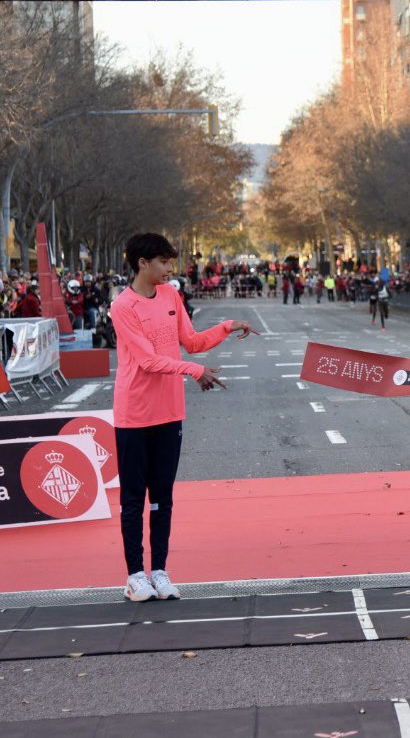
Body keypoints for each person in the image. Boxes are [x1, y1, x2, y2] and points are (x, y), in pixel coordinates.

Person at [111, 233, 258, 603]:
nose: (168, 269)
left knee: (163, 497)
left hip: (169, 412)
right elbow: (147, 361)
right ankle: (135, 576)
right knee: (133, 500)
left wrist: (227, 326)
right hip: (134, 414)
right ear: (142, 263)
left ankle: (159, 571)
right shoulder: (123, 306)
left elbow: (191, 341)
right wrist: (194, 371)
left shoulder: (171, 295)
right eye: (163, 262)